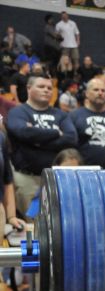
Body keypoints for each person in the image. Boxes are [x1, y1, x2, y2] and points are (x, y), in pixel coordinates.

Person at [6, 75, 77, 215]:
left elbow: (71, 139)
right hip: (27, 178)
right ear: (28, 88)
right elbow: (22, 132)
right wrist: (56, 132)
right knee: (32, 223)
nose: (46, 90)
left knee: (58, 221)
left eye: (49, 88)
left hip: (57, 178)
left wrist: (35, 140)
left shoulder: (61, 114)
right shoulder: (17, 112)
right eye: (41, 86)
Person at [70, 77, 105, 180]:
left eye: (103, 91)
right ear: (87, 94)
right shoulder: (74, 116)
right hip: (82, 175)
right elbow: (69, 149)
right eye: (96, 90)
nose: (100, 93)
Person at [25, 148, 82, 220]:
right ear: (55, 168)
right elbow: (34, 216)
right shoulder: (46, 188)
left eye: (72, 171)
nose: (67, 174)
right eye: (63, 170)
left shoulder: (84, 191)